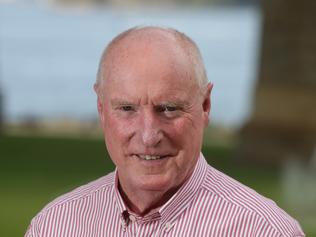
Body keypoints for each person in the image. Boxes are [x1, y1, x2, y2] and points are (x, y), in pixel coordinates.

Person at [25, 26, 305, 237]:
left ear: (205, 106)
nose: (148, 135)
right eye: (126, 109)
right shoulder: (54, 225)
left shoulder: (264, 230)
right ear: (101, 109)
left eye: (168, 108)